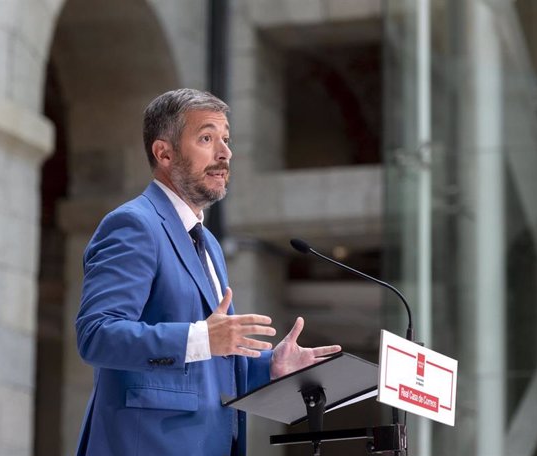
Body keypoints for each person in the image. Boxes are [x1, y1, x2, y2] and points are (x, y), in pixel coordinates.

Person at [74, 88, 341, 456]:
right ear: (163, 152)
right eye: (206, 137)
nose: (224, 153)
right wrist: (201, 338)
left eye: (226, 140)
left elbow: (210, 358)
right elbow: (97, 335)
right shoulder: (134, 225)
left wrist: (268, 367)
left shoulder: (209, 244)